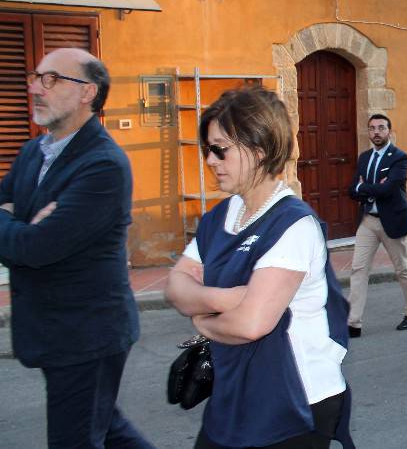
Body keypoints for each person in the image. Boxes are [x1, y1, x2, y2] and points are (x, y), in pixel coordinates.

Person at [165, 87, 354, 449]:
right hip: (235, 391)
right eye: (208, 148)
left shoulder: (292, 224)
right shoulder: (219, 218)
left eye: (221, 148)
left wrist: (201, 318)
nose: (210, 159)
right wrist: (226, 297)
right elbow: (176, 286)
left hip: (295, 400)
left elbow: (251, 324)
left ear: (259, 150)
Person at [0, 48, 153, 449]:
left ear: (87, 92)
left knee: (77, 438)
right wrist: (19, 225)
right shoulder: (34, 151)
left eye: (51, 79)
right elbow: (20, 235)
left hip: (86, 335)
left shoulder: (103, 164)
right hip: (53, 330)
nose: (35, 87)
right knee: (106, 428)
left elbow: (35, 248)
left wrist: (17, 224)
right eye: (35, 77)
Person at [347, 114, 407, 337]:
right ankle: (353, 322)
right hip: (368, 221)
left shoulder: (400, 158)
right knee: (358, 270)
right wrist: (368, 187)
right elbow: (351, 190)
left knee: (402, 269)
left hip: (393, 221)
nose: (376, 132)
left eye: (381, 128)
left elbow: (388, 189)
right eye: (372, 128)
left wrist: (364, 188)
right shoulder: (364, 157)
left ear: (389, 131)